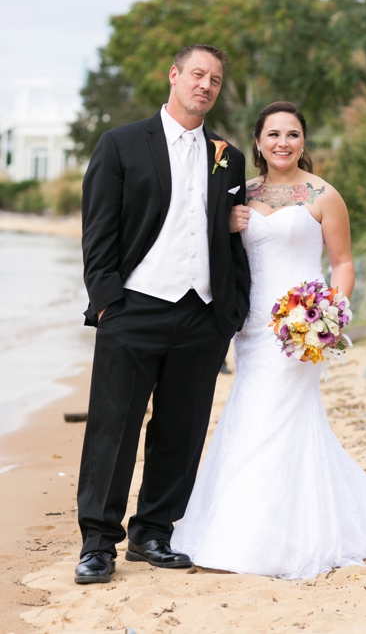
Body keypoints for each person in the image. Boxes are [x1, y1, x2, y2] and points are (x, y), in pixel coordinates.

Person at [170, 101, 366, 579]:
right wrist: (227, 224)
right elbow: (215, 253)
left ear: (303, 141)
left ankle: (260, 539)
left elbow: (343, 264)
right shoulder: (239, 194)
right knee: (248, 416)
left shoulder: (323, 195)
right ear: (257, 142)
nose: (282, 143)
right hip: (253, 328)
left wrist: (330, 317)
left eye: (292, 134)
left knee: (276, 419)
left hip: (302, 331)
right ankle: (239, 525)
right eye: (273, 134)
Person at [76, 44, 250, 584]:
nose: (206, 85)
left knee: (182, 427)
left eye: (215, 80)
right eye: (197, 74)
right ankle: (98, 542)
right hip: (134, 309)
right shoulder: (121, 144)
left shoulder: (229, 156)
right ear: (173, 75)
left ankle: (153, 531)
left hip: (201, 314)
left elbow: (232, 240)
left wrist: (231, 311)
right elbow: (98, 233)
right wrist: (108, 304)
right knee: (114, 426)